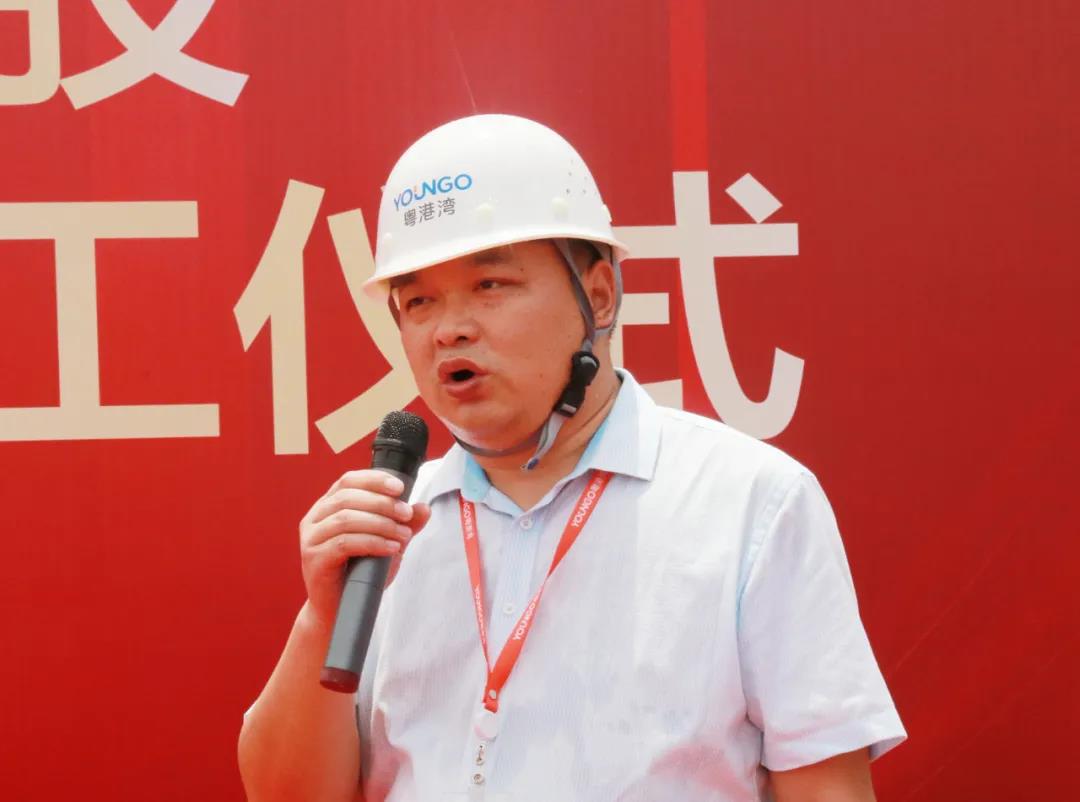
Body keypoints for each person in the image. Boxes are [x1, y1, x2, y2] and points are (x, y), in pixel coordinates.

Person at [238, 114, 906, 802]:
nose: (450, 329)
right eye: (418, 301)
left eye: (491, 285)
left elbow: (827, 788)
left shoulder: (749, 502)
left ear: (600, 295)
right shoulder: (387, 535)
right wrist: (322, 618)